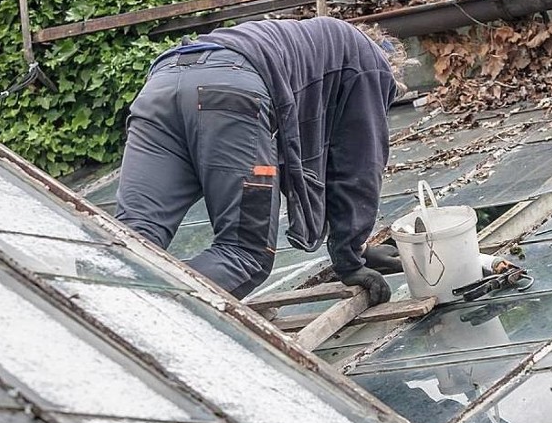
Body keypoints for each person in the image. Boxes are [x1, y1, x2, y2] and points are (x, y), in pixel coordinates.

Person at [115, 16, 405, 305]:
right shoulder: (369, 63)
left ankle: (100, 315)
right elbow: (358, 167)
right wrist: (350, 260)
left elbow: (291, 172)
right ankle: (146, 317)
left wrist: (360, 248)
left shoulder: (305, 49)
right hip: (229, 91)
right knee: (243, 254)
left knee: (131, 241)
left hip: (163, 83)